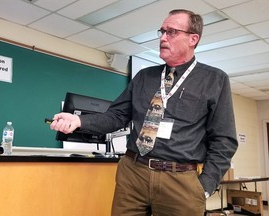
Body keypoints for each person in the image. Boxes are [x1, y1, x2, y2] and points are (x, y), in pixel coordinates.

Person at [50, 9, 238, 216]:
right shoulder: (144, 77)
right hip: (133, 173)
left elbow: (224, 140)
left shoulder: (215, 79)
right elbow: (116, 116)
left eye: (172, 32)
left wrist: (204, 187)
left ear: (193, 39)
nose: (163, 38)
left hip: (180, 180)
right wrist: (79, 120)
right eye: (162, 31)